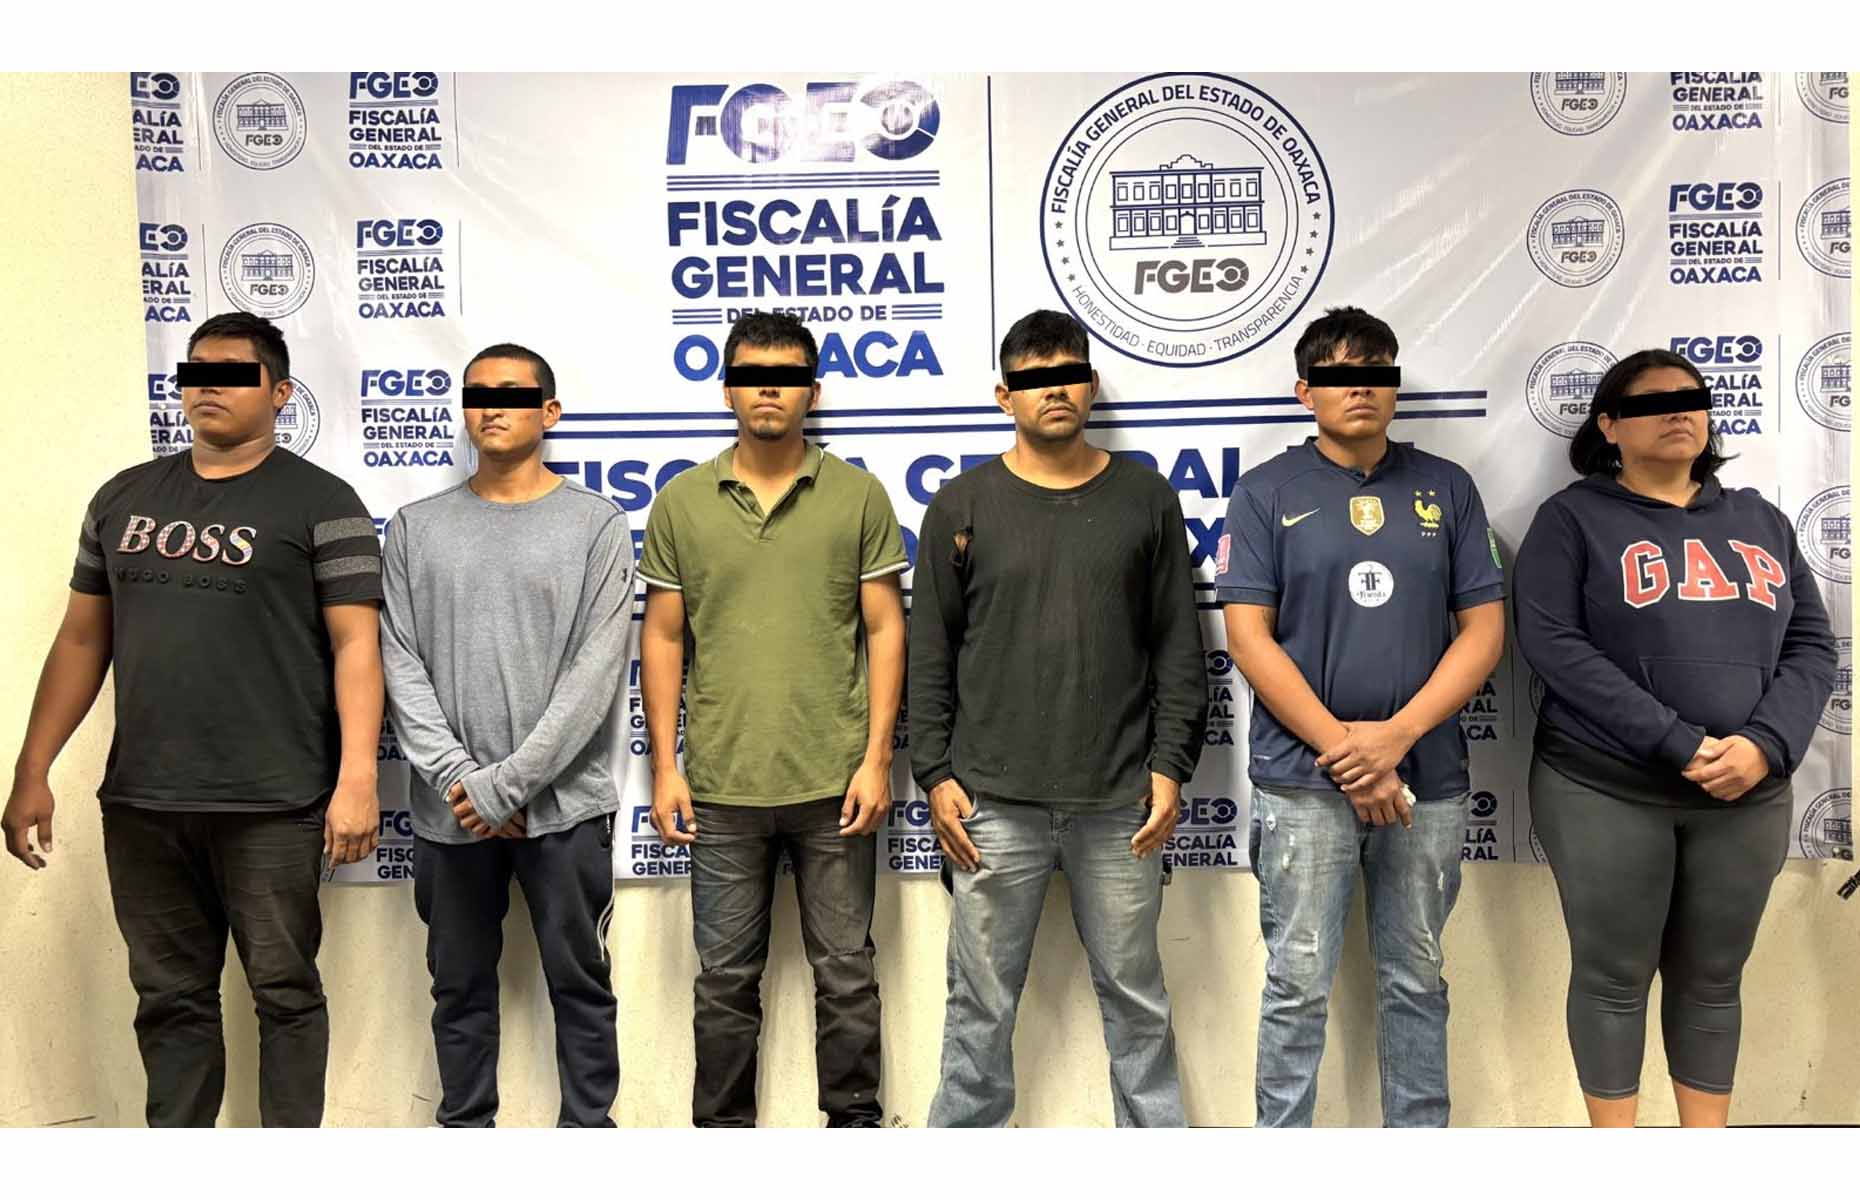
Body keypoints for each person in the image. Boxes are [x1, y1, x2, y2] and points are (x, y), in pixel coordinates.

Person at [2, 311, 384, 1127]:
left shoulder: (324, 503)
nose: (208, 387)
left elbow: (357, 646)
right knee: (169, 997)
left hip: (274, 801)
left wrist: (357, 778)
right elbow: (81, 639)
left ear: (279, 393)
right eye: (196, 372)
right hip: (144, 801)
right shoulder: (122, 499)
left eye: (234, 373)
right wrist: (32, 769)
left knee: (284, 992)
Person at [1514, 348, 1835, 1128]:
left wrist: (1765, 744)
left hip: (1745, 795)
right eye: (1653, 403)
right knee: (1612, 977)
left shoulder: (1761, 520)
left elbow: (1812, 646)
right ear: (1609, 426)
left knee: (1714, 980)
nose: (1679, 413)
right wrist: (1677, 742)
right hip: (1604, 787)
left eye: (1691, 400)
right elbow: (1554, 644)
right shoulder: (1572, 520)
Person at [911, 309, 1208, 1127]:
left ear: (1091, 384)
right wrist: (933, 773)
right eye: (1035, 380)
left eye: (1069, 375)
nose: (1055, 392)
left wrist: (1170, 766)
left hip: (1120, 804)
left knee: (1136, 1000)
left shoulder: (1145, 498)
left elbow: (1178, 646)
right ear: (1004, 395)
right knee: (980, 1006)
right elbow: (930, 651)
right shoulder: (962, 504)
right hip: (991, 803)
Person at [1215, 305, 1505, 1127]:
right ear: (1305, 391)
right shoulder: (1266, 491)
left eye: (1376, 374)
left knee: (1416, 977)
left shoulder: (1448, 487)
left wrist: (1397, 739)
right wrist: (1349, 752)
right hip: (1304, 781)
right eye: (1340, 376)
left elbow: (1484, 631)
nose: (1361, 390)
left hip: (1426, 778)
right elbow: (1249, 637)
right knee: (1297, 982)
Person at [639, 312, 907, 1127]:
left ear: (812, 392)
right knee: (724, 982)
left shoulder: (857, 495)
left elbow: (885, 629)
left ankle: (854, 1134)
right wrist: (665, 767)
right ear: (727, 390)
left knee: (847, 975)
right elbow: (663, 636)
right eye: (753, 375)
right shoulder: (682, 502)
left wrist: (877, 760)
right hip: (720, 789)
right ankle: (724, 1141)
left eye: (786, 376)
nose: (769, 389)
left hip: (836, 785)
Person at [380, 343, 632, 1127]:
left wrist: (508, 786)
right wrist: (467, 783)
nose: (493, 406)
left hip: (563, 811)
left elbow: (594, 673)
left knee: (581, 986)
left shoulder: (596, 524)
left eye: (514, 394)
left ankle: (586, 1140)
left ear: (548, 412)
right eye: (478, 393)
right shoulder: (416, 529)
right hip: (449, 814)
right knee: (458, 991)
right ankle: (466, 1135)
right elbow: (399, 663)